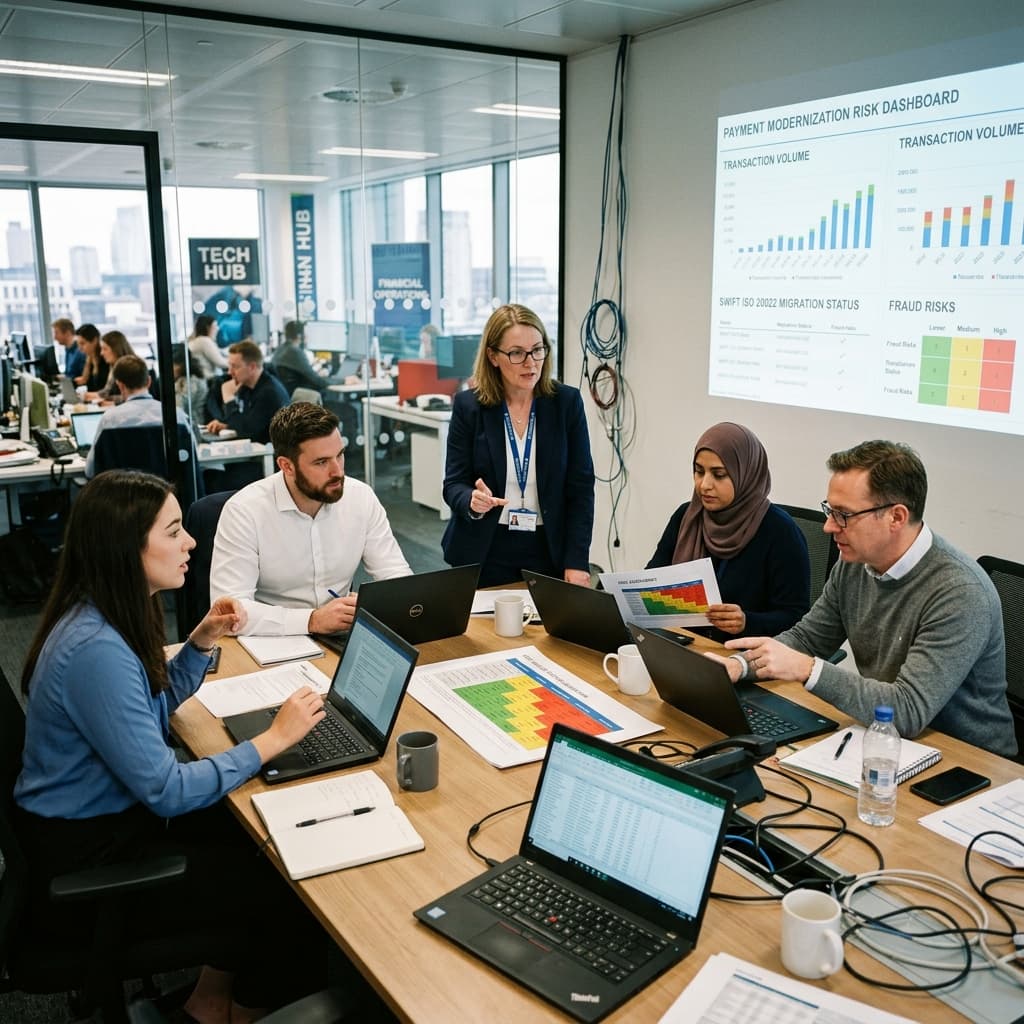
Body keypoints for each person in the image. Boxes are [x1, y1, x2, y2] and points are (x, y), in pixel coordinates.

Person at [14, 470, 328, 1022]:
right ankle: (242, 1011)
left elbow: (148, 710)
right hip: (91, 863)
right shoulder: (96, 649)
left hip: (106, 822)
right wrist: (272, 739)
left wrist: (200, 643)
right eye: (175, 531)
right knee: (281, 884)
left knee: (257, 835)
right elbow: (164, 789)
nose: (191, 543)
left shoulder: (104, 614)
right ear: (126, 548)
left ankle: (208, 1001)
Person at [716, 440, 1016, 757]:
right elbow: (807, 639)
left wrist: (807, 669)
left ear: (896, 517)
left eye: (844, 515)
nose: (829, 527)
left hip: (971, 761)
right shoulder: (855, 564)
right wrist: (737, 667)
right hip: (890, 741)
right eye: (829, 511)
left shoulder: (960, 591)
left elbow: (908, 710)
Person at [211, 402, 411, 636]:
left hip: (342, 636)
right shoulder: (244, 511)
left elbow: (397, 576)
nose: (337, 471)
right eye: (321, 462)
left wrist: (382, 603)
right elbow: (229, 612)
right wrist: (312, 620)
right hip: (271, 641)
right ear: (287, 466)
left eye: (340, 455)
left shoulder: (360, 497)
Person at [441, 303, 595, 588]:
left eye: (537, 349)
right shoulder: (469, 407)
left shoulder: (566, 403)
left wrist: (577, 561)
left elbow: (581, 489)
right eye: (516, 353)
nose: (531, 362)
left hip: (549, 550)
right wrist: (472, 502)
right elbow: (453, 483)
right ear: (493, 356)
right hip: (484, 550)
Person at [646, 422, 810, 640]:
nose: (704, 484)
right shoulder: (687, 516)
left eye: (719, 474)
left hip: (745, 655)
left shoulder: (781, 532)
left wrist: (747, 621)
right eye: (699, 471)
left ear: (745, 474)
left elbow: (795, 617)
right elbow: (652, 579)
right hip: (681, 643)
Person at [84, 354, 190, 478]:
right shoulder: (176, 415)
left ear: (120, 385)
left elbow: (90, 470)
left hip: (124, 493)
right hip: (168, 493)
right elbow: (190, 459)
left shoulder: (110, 419)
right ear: (149, 381)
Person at [205, 339, 288, 445]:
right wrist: (225, 425)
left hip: (267, 454)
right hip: (255, 449)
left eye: (235, 366)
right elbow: (244, 421)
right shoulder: (248, 386)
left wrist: (229, 399)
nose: (230, 372)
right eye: (229, 366)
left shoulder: (269, 393)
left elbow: (247, 431)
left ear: (252, 367)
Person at [271, 320, 328, 397]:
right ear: (299, 336)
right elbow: (317, 381)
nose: (307, 335)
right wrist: (342, 381)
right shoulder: (295, 351)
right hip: (296, 396)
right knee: (324, 391)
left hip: (285, 395)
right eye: (305, 333)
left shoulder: (280, 349)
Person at [173, 341, 208, 417]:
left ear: (182, 365)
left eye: (173, 365)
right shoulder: (183, 379)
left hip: (193, 422)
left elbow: (179, 409)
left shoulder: (191, 381)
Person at [74, 323, 106, 391]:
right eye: (78, 344)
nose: (80, 348)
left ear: (94, 340)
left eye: (82, 344)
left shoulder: (105, 360)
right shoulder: (89, 359)